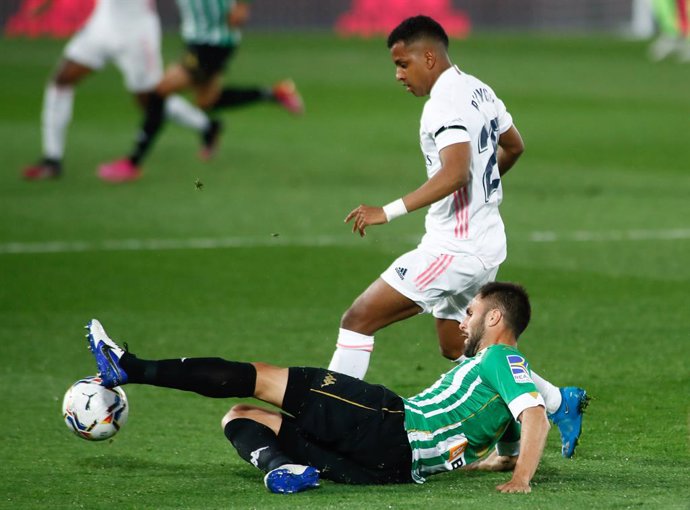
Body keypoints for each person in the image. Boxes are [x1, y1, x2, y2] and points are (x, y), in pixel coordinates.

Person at [327, 15, 588, 458]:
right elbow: (514, 146)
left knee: (358, 319)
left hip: (455, 249)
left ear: (429, 56)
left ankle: (327, 423)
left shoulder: (443, 104)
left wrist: (386, 212)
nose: (398, 75)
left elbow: (454, 172)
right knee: (458, 348)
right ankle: (558, 400)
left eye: (403, 63)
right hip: (485, 242)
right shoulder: (479, 89)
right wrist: (480, 190)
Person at [85, 282, 550, 494]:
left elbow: (534, 415)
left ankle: (130, 366)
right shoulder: (504, 376)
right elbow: (516, 422)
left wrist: (520, 480)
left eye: (470, 313)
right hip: (390, 470)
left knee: (261, 377)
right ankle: (280, 469)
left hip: (390, 423)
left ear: (494, 318)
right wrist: (502, 461)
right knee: (242, 415)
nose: (464, 321)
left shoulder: (498, 357)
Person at [97, 0, 305, 182]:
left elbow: (237, 14)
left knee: (159, 93)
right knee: (208, 101)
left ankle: (133, 163)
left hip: (211, 42)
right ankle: (275, 94)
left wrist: (242, 6)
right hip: (199, 39)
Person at [22, 0, 219, 181]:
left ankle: (206, 125)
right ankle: (52, 159)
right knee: (61, 81)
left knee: (150, 101)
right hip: (102, 25)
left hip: (136, 33)